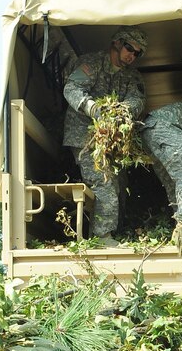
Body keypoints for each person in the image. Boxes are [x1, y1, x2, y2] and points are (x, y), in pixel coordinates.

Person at [63, 26, 148, 242]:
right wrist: (92, 108)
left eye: (137, 53)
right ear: (117, 43)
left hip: (111, 142)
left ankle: (110, 236)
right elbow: (71, 89)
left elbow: (137, 100)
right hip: (83, 136)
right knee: (104, 181)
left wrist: (121, 112)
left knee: (118, 186)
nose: (132, 56)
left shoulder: (131, 76)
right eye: (130, 48)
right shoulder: (92, 64)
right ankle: (102, 237)